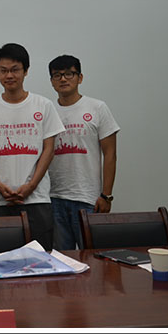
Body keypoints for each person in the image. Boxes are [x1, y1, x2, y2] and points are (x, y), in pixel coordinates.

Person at [0, 43, 64, 250]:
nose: (9, 75)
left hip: (37, 199)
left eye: (15, 70)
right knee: (1, 260)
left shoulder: (43, 105)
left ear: (26, 71)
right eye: (3, 70)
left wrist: (31, 185)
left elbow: (49, 150)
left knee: (40, 259)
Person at [47, 55, 120, 250]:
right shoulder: (48, 110)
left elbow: (110, 154)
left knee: (93, 257)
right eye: (57, 75)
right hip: (54, 198)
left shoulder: (97, 108)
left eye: (69, 74)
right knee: (62, 259)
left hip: (89, 199)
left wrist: (106, 195)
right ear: (52, 81)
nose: (63, 79)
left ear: (80, 78)